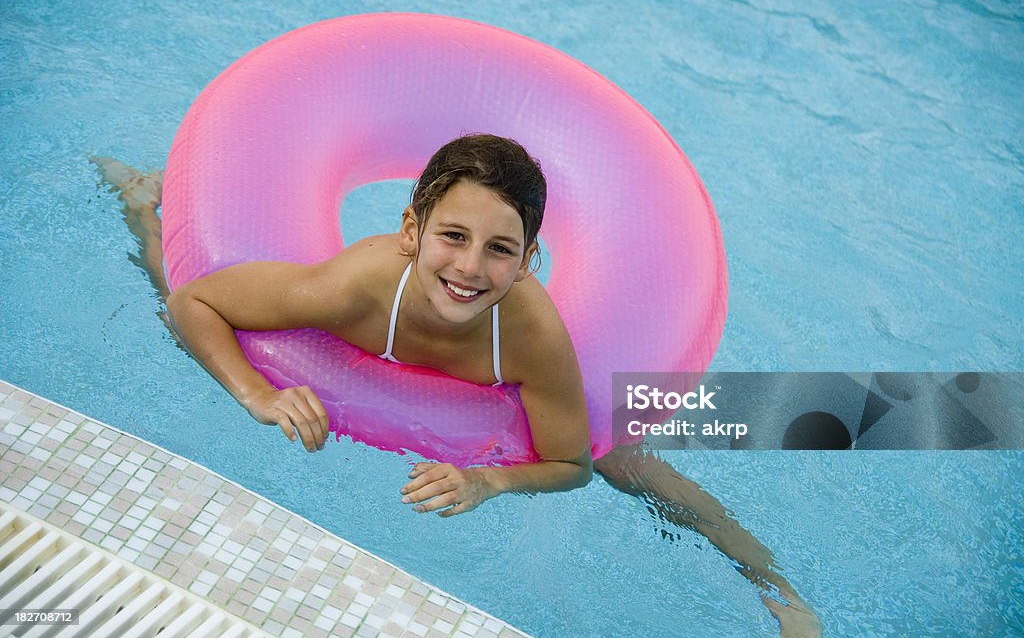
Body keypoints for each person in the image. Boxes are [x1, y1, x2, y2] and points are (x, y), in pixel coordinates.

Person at [94, 134, 821, 637]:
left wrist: (488, 482)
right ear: (412, 228)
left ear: (530, 259)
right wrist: (258, 394)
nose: (471, 267)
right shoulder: (357, 287)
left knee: (623, 455)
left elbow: (569, 466)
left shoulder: (532, 335)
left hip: (497, 390)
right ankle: (140, 206)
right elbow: (200, 304)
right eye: (453, 236)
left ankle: (778, 590)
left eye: (501, 249)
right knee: (176, 298)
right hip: (347, 336)